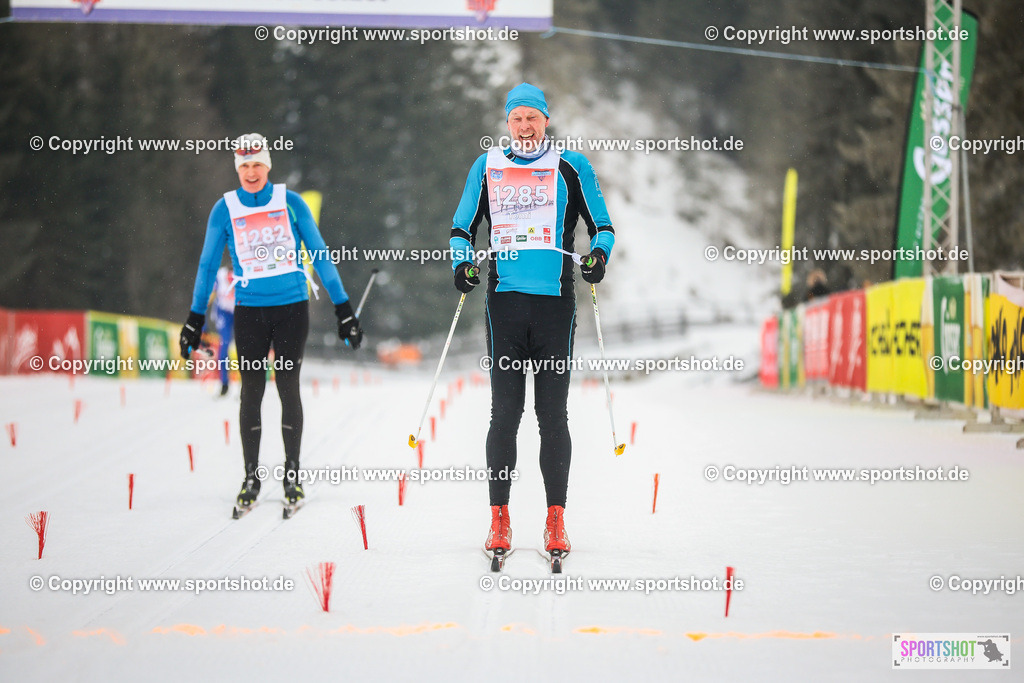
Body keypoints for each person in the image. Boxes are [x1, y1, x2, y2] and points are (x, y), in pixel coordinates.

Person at [449, 83, 615, 557]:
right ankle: (499, 520)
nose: (525, 127)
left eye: (533, 118)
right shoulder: (487, 166)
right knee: (504, 414)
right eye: (517, 118)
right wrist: (462, 264)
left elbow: (602, 226)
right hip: (503, 304)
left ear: (547, 121)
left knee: (551, 415)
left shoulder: (571, 165)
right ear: (507, 124)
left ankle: (555, 520)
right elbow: (462, 228)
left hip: (555, 306)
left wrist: (597, 257)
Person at [180, 133, 363, 512]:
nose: (250, 172)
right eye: (243, 166)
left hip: (292, 308)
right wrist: (195, 318)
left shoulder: (291, 204)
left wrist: (343, 309)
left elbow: (321, 254)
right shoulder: (225, 209)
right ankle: (251, 476)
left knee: (287, 386)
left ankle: (291, 473)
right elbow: (207, 265)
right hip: (250, 310)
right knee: (251, 391)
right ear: (237, 168)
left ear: (268, 166)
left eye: (256, 164)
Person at [209, 265, 236, 396]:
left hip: (240, 311)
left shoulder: (244, 274)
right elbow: (210, 296)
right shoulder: (220, 276)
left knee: (246, 346)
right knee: (224, 346)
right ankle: (224, 383)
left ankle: (249, 386)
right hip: (224, 313)